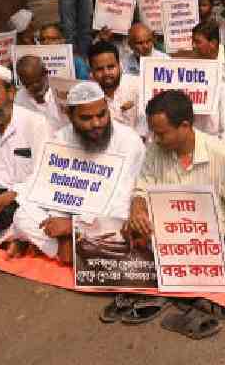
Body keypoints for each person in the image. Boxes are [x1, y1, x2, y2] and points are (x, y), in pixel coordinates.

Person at [11, 81, 144, 263]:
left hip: (108, 217)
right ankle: (66, 248)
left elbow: (120, 199)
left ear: (107, 109)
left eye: (101, 115)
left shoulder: (128, 140)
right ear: (70, 116)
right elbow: (48, 184)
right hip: (71, 211)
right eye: (86, 118)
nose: (96, 123)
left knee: (120, 221)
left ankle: (67, 248)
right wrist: (60, 218)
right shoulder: (61, 138)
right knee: (22, 215)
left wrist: (74, 226)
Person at [127, 90, 225, 261]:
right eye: (153, 133)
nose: (156, 139)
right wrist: (137, 209)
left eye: (161, 134)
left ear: (184, 126)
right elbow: (141, 189)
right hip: (168, 239)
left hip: (214, 244)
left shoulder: (222, 154)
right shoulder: (154, 150)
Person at [0, 65, 52, 243]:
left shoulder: (35, 123)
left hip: (26, 198)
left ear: (11, 93)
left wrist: (6, 198)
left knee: (26, 219)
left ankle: (13, 240)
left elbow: (44, 175)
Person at [88, 41, 142, 133]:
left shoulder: (138, 85)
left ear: (120, 66)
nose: (106, 73)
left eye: (111, 67)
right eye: (100, 69)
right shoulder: (87, 96)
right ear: (91, 72)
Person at [14, 55, 68, 130]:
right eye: (28, 84)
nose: (33, 87)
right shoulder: (19, 98)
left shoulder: (62, 92)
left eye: (37, 81)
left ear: (45, 73)